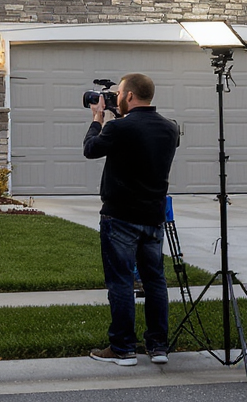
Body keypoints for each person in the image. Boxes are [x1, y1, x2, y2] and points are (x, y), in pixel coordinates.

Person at [83, 73, 179, 367]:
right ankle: (158, 346)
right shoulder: (170, 128)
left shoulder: (118, 128)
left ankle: (123, 347)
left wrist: (98, 119)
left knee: (121, 282)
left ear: (128, 96)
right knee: (155, 282)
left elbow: (90, 150)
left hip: (120, 217)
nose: (115, 97)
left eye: (118, 93)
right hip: (153, 218)